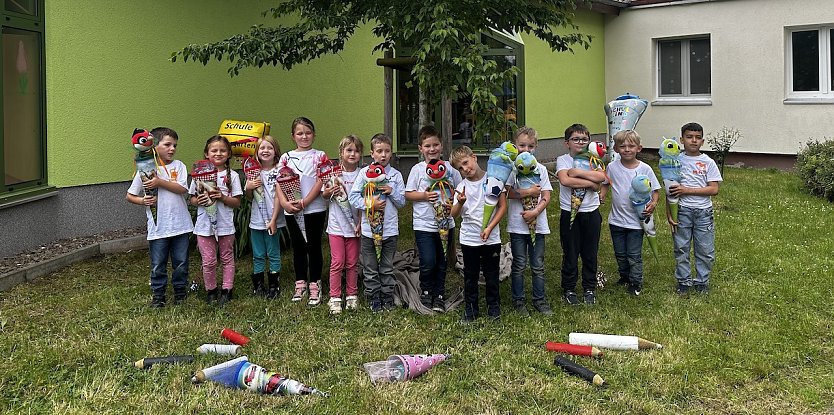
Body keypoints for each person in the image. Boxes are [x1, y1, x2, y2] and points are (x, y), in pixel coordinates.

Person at [126, 127, 193, 308]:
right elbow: (130, 195)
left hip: (181, 226)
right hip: (158, 228)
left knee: (181, 262)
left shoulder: (179, 166)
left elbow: (183, 189)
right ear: (154, 146)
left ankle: (180, 292)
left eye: (175, 146)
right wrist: (142, 201)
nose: (172, 149)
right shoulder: (146, 169)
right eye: (167, 144)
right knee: (158, 264)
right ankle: (158, 295)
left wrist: (160, 182)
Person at [405, 125, 462, 312]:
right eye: (427, 146)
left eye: (435, 145)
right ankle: (426, 290)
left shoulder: (450, 169)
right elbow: (408, 194)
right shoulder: (417, 169)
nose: (432, 149)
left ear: (442, 146)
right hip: (424, 224)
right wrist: (423, 196)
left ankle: (439, 293)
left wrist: (454, 201)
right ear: (421, 149)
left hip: (446, 224)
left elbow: (461, 190)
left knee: (442, 260)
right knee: (428, 260)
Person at [348, 133, 406, 312]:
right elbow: (353, 197)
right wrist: (369, 203)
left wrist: (392, 191)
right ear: (372, 154)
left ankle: (387, 294)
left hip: (389, 230)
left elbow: (402, 202)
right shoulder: (365, 174)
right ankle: (373, 295)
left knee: (387, 265)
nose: (383, 155)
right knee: (370, 265)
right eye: (379, 151)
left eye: (387, 151)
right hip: (368, 231)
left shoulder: (395, 176)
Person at [450, 145, 507, 323]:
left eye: (466, 163)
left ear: (474, 157)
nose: (465, 169)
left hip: (491, 238)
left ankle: (493, 307)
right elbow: (453, 214)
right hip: (469, 239)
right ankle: (471, 309)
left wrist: (490, 228)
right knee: (470, 276)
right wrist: (460, 202)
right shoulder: (461, 187)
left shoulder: (494, 179)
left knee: (492, 274)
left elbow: (502, 206)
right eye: (460, 168)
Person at [276, 117, 327, 306]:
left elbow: (322, 179)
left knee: (313, 246)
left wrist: (306, 201)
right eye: (300, 133)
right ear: (293, 136)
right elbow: (279, 183)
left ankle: (315, 283)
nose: (304, 136)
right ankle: (300, 283)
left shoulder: (320, 155)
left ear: (313, 134)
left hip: (314, 209)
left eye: (308, 132)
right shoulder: (286, 158)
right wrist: (285, 204)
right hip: (292, 210)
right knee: (298, 247)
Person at [667, 122, 722, 295]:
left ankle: (702, 281)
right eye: (689, 137)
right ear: (682, 140)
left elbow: (714, 189)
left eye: (698, 138)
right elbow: (670, 189)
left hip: (703, 213)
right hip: (681, 211)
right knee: (681, 248)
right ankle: (684, 281)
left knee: (705, 250)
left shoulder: (708, 162)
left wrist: (687, 190)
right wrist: (669, 213)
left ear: (703, 141)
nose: (694, 141)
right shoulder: (675, 161)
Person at [556, 124, 607, 306]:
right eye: (576, 139)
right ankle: (569, 288)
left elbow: (601, 178)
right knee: (570, 252)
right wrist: (591, 183)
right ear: (567, 143)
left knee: (590, 252)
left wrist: (579, 174)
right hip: (569, 213)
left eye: (584, 139)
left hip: (591, 212)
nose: (580, 142)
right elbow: (565, 179)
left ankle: (589, 288)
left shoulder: (595, 159)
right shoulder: (563, 160)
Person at [189, 135, 242, 306]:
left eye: (222, 150)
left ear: (228, 154)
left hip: (225, 225)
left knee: (227, 258)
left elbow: (237, 202)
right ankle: (211, 291)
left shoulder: (232, 176)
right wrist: (200, 200)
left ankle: (227, 290)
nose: (218, 153)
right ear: (206, 153)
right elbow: (192, 199)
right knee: (209, 261)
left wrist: (222, 197)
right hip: (204, 227)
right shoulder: (198, 175)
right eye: (214, 150)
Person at [505, 126, 553, 316]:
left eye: (530, 146)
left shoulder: (540, 169)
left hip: (538, 225)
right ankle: (518, 301)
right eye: (522, 146)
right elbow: (507, 193)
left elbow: (547, 195)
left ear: (536, 146)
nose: (526, 150)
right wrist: (528, 192)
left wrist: (536, 211)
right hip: (518, 227)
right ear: (515, 146)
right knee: (519, 264)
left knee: (537, 264)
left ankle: (539, 299)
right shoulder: (512, 169)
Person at [607, 130, 660, 296]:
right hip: (616, 220)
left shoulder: (645, 169)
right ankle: (624, 276)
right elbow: (604, 184)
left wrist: (653, 203)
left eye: (631, 146)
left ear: (639, 148)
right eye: (622, 146)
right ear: (615, 149)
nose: (627, 149)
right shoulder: (612, 167)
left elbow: (656, 190)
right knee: (620, 254)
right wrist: (601, 194)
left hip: (637, 222)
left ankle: (635, 282)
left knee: (633, 255)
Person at [323, 135, 364, 314]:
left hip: (355, 227)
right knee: (338, 262)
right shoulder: (333, 173)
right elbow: (324, 195)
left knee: (353, 263)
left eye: (356, 150)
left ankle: (352, 295)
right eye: (349, 150)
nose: (352, 154)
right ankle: (334, 297)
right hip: (336, 227)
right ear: (341, 153)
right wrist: (328, 191)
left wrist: (361, 222)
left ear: (361, 154)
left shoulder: (363, 174)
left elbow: (365, 199)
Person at [246, 135, 283, 299]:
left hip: (273, 219)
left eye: (269, 147)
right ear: (257, 152)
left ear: (275, 151)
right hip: (256, 220)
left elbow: (278, 197)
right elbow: (249, 197)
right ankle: (259, 284)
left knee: (273, 252)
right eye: (262, 148)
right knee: (258, 253)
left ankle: (274, 284)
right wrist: (248, 186)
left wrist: (273, 220)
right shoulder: (253, 172)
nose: (265, 151)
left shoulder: (279, 170)